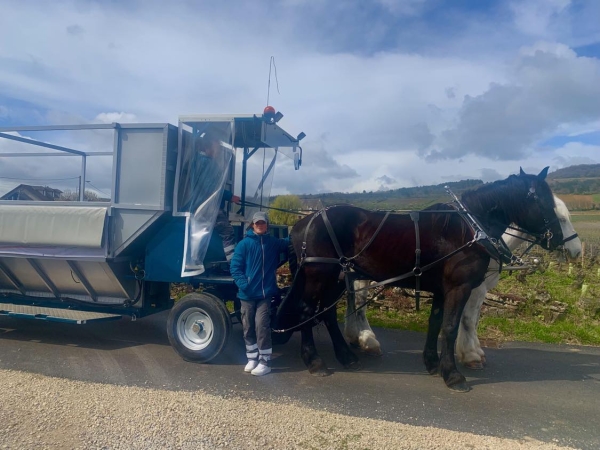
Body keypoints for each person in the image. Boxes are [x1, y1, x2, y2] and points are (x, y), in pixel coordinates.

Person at [230, 211, 289, 376]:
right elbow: (235, 268)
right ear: (252, 225)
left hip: (264, 295)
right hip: (247, 295)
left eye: (263, 223)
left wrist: (302, 230)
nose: (260, 225)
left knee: (261, 326)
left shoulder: (273, 243)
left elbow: (288, 243)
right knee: (248, 327)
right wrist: (244, 285)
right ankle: (252, 358)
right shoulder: (244, 244)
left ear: (267, 225)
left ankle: (265, 362)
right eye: (257, 223)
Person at [180, 131, 240, 264]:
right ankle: (233, 264)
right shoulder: (208, 164)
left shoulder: (196, 161)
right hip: (208, 207)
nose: (218, 150)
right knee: (227, 231)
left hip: (197, 205)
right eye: (216, 147)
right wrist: (230, 196)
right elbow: (212, 188)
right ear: (208, 147)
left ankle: (195, 258)